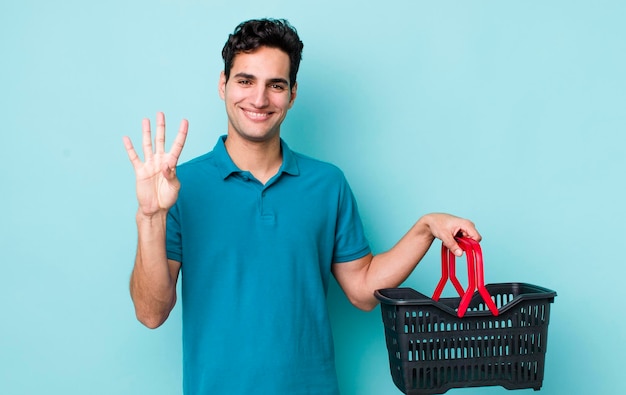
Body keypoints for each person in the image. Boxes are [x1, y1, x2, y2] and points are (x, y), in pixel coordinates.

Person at [123, 18, 481, 395]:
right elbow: (151, 313)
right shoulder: (182, 187)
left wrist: (425, 228)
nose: (259, 99)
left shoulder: (327, 184)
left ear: (292, 94)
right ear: (222, 85)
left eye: (275, 85)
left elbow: (362, 290)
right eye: (245, 81)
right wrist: (150, 217)